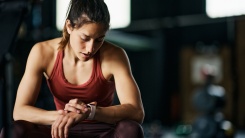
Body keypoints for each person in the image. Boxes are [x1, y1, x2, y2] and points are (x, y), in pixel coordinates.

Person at [0, 0, 145, 137]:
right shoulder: (42, 52)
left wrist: (90, 112)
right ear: (69, 26)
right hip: (60, 128)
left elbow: (137, 112)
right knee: (14, 131)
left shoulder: (115, 55)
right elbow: (19, 111)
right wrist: (65, 116)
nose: (90, 48)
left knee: (130, 129)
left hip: (102, 132)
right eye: (85, 38)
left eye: (99, 39)